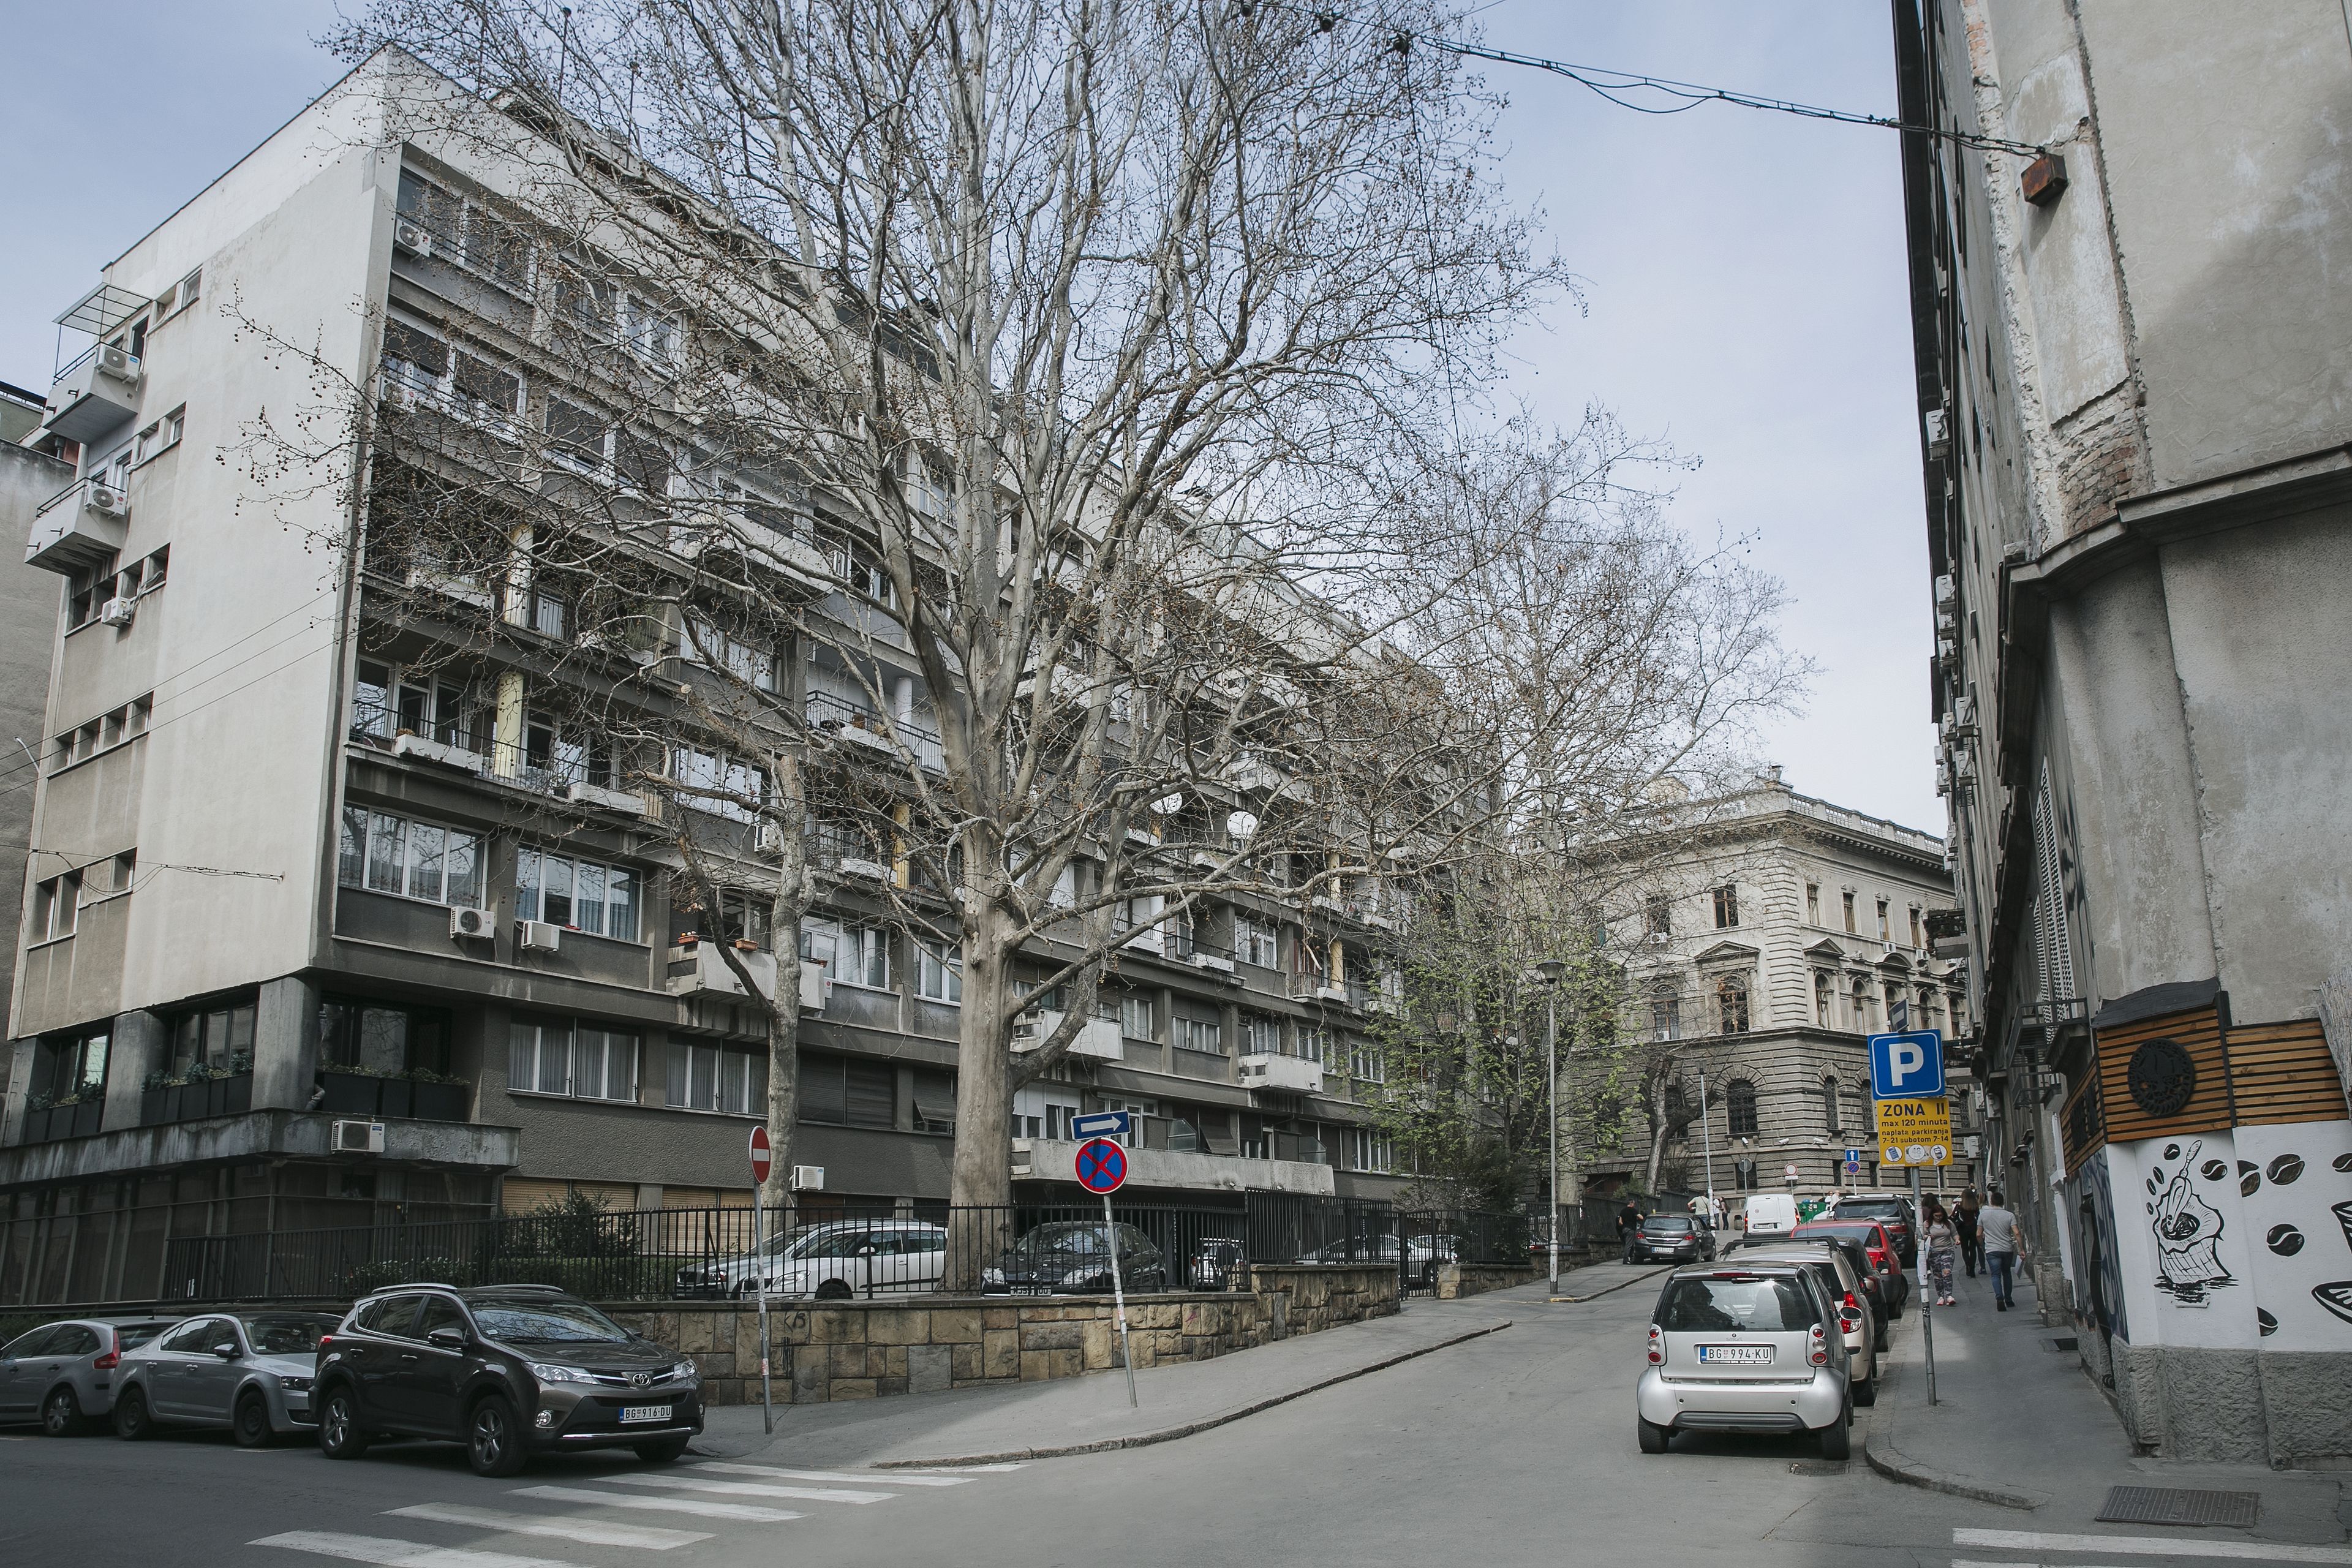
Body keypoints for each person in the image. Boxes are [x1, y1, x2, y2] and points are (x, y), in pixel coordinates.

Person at [1978, 1188, 2021, 1311]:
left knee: (1995, 1275)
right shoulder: (2009, 1215)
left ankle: (1999, 1298)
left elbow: (1978, 1234)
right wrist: (2022, 1249)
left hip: (1992, 1249)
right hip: (2007, 1248)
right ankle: (2008, 1299)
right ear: (2003, 1202)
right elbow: (2017, 1233)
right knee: (2007, 1273)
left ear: (1991, 1202)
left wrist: (1982, 1246)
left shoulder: (1983, 1215)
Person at [1922, 1200, 1959, 1306]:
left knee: (1947, 1272)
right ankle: (1941, 1296)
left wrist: (1957, 1240)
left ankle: (1949, 1295)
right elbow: (1921, 1236)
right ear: (1932, 1215)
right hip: (1934, 1251)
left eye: (1940, 1216)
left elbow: (1954, 1234)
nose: (1938, 1218)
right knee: (1938, 1275)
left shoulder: (1948, 1223)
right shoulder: (1927, 1224)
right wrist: (1928, 1237)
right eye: (1936, 1216)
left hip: (1947, 1250)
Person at [1954, 1188, 1983, 1278]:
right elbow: (1978, 1217)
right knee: (1973, 1249)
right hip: (1973, 1227)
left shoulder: (1960, 1206)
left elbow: (1955, 1216)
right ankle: (1972, 1268)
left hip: (1963, 1228)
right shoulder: (1975, 1205)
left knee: (1965, 1249)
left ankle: (1968, 1265)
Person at [1617, 1200, 1643, 1264]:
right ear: (1631, 1204)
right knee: (1628, 1245)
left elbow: (1620, 1222)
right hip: (1631, 1229)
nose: (1634, 1205)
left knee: (1629, 1244)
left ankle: (1632, 1258)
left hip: (1624, 1229)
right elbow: (1641, 1217)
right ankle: (1625, 1260)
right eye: (1634, 1204)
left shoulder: (1623, 1211)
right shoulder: (1633, 1210)